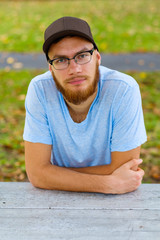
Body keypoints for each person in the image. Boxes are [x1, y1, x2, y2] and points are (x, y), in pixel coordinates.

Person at [23, 16, 147, 194]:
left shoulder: (123, 89)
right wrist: (107, 184)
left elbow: (126, 169)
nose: (74, 69)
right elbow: (36, 175)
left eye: (82, 56)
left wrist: (52, 174)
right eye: (61, 60)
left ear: (97, 58)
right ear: (50, 69)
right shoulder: (40, 89)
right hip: (56, 202)